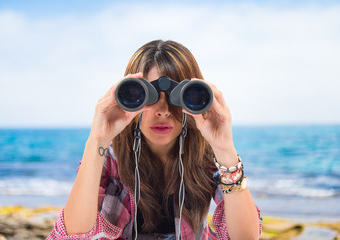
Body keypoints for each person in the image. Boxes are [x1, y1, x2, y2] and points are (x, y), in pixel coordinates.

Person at [46, 40, 262, 240]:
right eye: (145, 95)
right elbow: (72, 235)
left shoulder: (206, 157)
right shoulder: (110, 157)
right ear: (127, 98)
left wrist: (224, 149)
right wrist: (97, 140)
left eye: (178, 97)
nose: (163, 111)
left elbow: (246, 237)